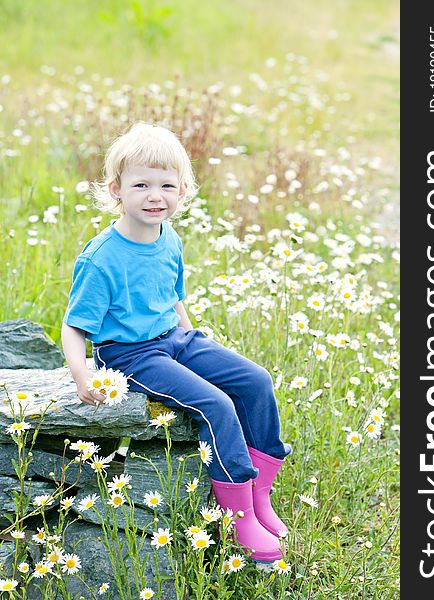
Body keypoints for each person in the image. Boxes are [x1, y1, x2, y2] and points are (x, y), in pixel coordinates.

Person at [61, 122, 292, 562]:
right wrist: (80, 373)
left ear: (183, 192)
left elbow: (173, 297)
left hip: (175, 338)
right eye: (142, 184)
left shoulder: (170, 239)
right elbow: (74, 325)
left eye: (167, 185)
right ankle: (237, 517)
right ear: (116, 190)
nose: (155, 195)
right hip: (129, 354)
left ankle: (260, 496)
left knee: (256, 381)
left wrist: (192, 338)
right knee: (216, 404)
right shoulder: (101, 257)